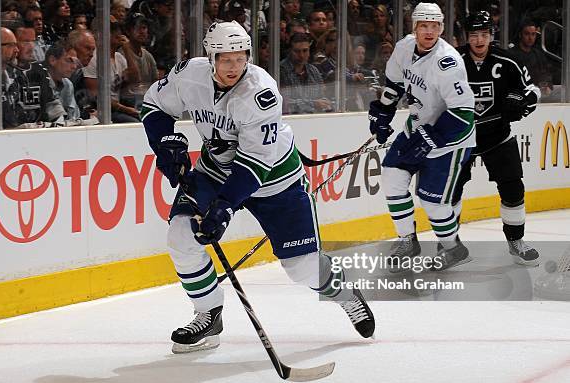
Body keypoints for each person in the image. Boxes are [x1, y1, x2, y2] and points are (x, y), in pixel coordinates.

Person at [140, 21, 375, 353]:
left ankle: (343, 292)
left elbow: (254, 164)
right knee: (181, 234)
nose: (234, 66)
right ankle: (209, 315)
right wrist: (167, 144)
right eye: (225, 59)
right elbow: (153, 106)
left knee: (302, 268)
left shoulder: (260, 92)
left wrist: (223, 208)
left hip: (273, 178)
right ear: (210, 57)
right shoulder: (189, 76)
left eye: (240, 57)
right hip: (217, 169)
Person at [368, 2, 476, 271]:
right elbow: (394, 84)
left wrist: (430, 139)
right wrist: (383, 111)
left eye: (435, 26)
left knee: (431, 201)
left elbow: (464, 115)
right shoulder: (404, 47)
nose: (430, 31)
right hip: (417, 126)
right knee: (392, 178)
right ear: (414, 27)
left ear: (441, 27)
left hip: (450, 139)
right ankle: (407, 241)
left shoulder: (447, 62)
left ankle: (454, 249)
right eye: (424, 26)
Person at [453, 11, 540, 266]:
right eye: (473, 35)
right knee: (451, 192)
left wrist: (524, 101)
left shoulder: (508, 60)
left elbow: (532, 89)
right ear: (465, 37)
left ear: (491, 35)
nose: (479, 40)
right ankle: (449, 245)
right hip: (460, 139)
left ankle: (516, 241)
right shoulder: (452, 61)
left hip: (498, 137)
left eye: (484, 34)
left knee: (513, 188)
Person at [280, 32, 332, 114]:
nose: (301, 55)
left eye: (305, 50)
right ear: (290, 51)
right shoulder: (281, 71)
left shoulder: (314, 71)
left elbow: (322, 96)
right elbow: (284, 103)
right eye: (297, 51)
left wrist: (325, 103)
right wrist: (313, 104)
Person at [507, 20, 553, 97]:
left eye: (533, 34)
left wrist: (547, 85)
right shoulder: (512, 54)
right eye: (527, 34)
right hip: (519, 93)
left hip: (537, 92)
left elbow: (546, 73)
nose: (530, 37)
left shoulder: (538, 54)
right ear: (520, 35)